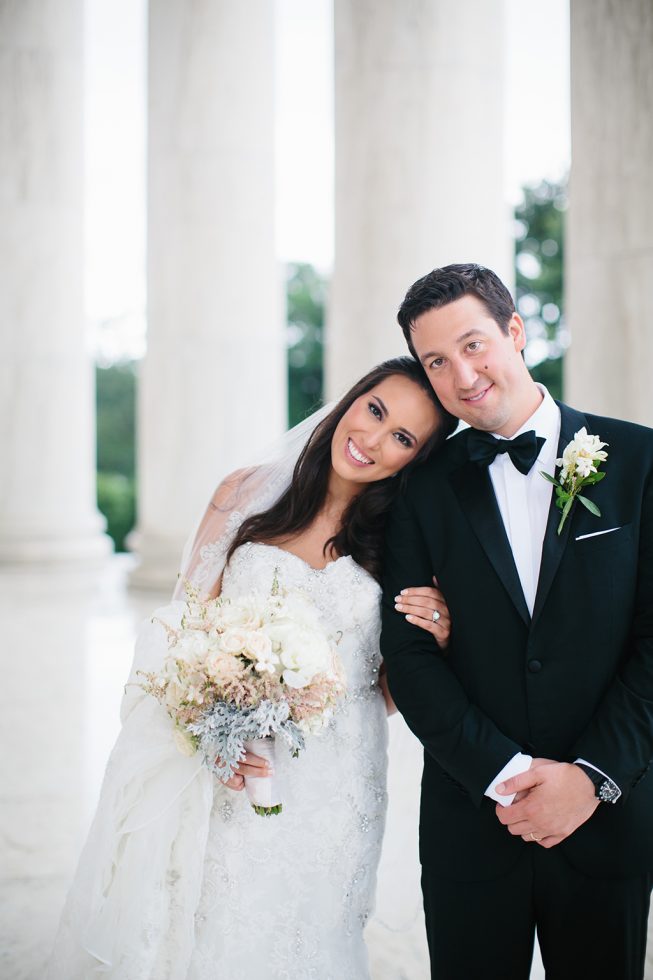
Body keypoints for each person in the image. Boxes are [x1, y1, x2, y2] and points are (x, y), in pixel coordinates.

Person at [47, 356, 457, 980]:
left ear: (416, 458)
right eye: (374, 411)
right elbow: (181, 636)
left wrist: (437, 639)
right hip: (236, 764)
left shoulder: (400, 540)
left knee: (314, 938)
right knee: (220, 929)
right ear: (351, 401)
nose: (372, 439)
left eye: (402, 437)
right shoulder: (244, 493)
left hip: (340, 785)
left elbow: (382, 694)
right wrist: (212, 734)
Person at [380, 263, 653, 980]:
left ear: (515, 331)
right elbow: (407, 656)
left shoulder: (639, 459)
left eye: (473, 345)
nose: (462, 376)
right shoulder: (417, 489)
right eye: (436, 362)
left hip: (608, 818)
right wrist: (502, 772)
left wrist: (590, 778)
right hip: (471, 820)